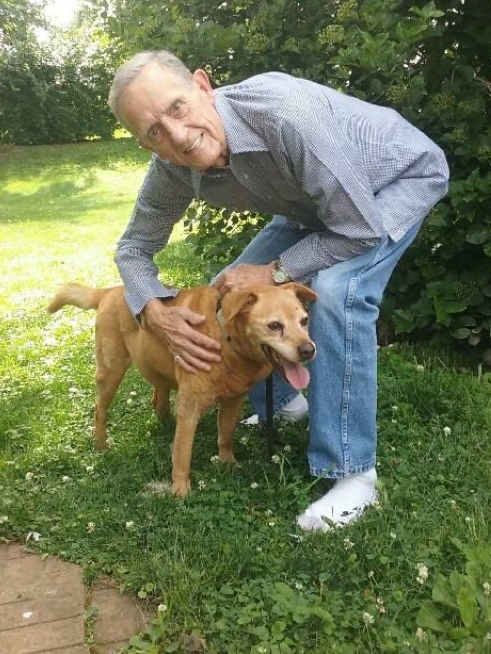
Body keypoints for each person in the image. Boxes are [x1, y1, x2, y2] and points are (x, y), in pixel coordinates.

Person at [108, 50, 449, 531]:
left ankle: (353, 473)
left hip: (395, 182)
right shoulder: (171, 169)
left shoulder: (284, 116)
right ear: (146, 145)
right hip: (317, 207)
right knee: (227, 288)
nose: (177, 136)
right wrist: (151, 309)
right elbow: (132, 249)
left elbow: (357, 228)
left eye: (178, 108)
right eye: (153, 132)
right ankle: (282, 402)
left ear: (203, 86)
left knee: (336, 289)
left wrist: (278, 269)